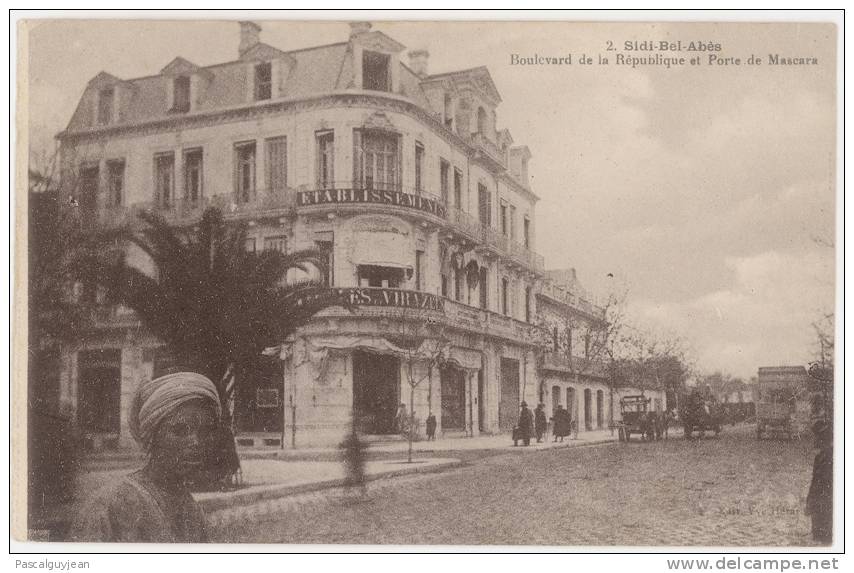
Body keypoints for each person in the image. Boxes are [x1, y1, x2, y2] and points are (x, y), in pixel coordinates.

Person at [70, 372, 221, 543]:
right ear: (152, 436)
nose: (196, 442)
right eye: (180, 431)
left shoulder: (192, 511)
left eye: (205, 432)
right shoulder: (108, 505)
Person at [806, 420, 833, 545]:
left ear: (822, 439)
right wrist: (809, 502)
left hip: (826, 507)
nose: (814, 441)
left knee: (827, 540)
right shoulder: (820, 457)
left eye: (816, 437)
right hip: (820, 508)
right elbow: (814, 481)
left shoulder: (832, 457)